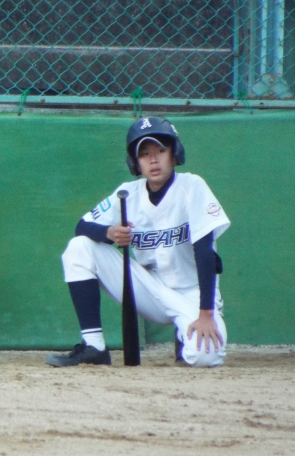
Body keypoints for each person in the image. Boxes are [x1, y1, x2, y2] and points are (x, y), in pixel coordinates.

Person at [46, 116, 230, 368]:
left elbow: (205, 251)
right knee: (79, 247)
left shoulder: (192, 186)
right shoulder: (128, 193)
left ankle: (184, 334)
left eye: (160, 151)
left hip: (193, 294)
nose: (153, 160)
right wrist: (110, 233)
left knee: (205, 356)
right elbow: (83, 226)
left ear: (174, 154)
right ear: (135, 162)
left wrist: (206, 313)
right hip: (149, 288)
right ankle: (94, 346)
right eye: (144, 154)